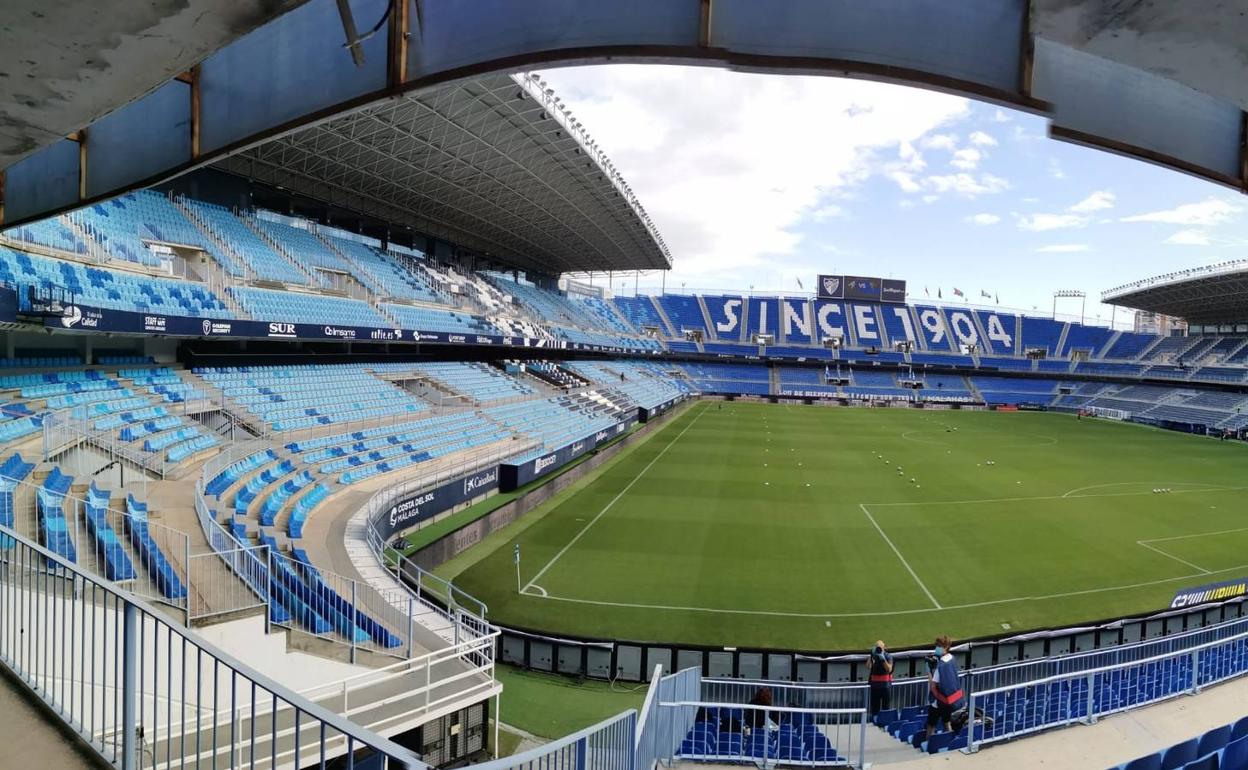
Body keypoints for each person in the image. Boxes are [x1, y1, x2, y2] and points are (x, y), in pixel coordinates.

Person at [925, 636, 964, 737]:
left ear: (946, 647)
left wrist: (929, 671)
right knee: (946, 722)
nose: (936, 648)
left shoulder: (940, 666)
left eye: (938, 646)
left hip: (940, 701)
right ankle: (948, 741)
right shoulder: (952, 658)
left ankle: (929, 744)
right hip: (953, 700)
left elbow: (933, 686)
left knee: (931, 725)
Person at [867, 640, 894, 716]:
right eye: (877, 647)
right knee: (875, 709)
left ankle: (884, 723)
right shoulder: (874, 656)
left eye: (880, 647)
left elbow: (889, 669)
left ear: (884, 647)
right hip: (875, 687)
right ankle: (875, 722)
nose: (879, 649)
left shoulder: (888, 656)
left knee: (886, 708)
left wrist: (883, 659)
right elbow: (868, 666)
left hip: (885, 687)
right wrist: (871, 655)